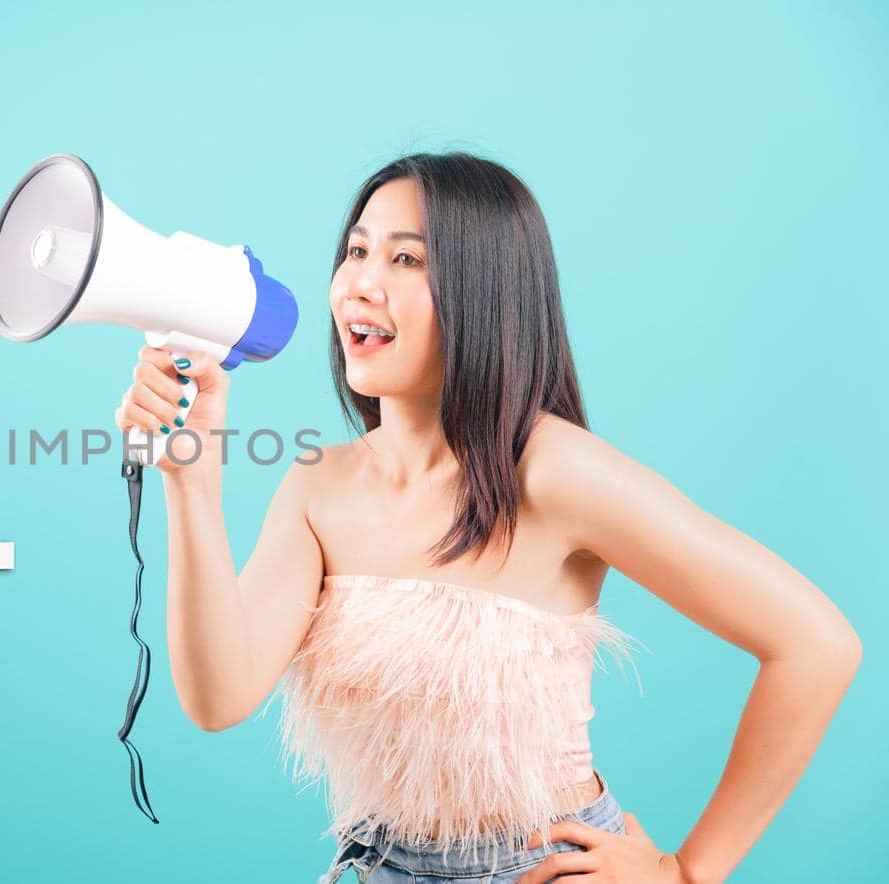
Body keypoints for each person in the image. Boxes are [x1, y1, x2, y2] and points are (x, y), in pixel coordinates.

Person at [112, 152, 862, 883]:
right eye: (357, 251)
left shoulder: (553, 472)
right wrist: (192, 480)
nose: (360, 285)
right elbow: (218, 696)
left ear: (485, 292)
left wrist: (689, 873)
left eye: (407, 261)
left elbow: (817, 645)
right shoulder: (319, 486)